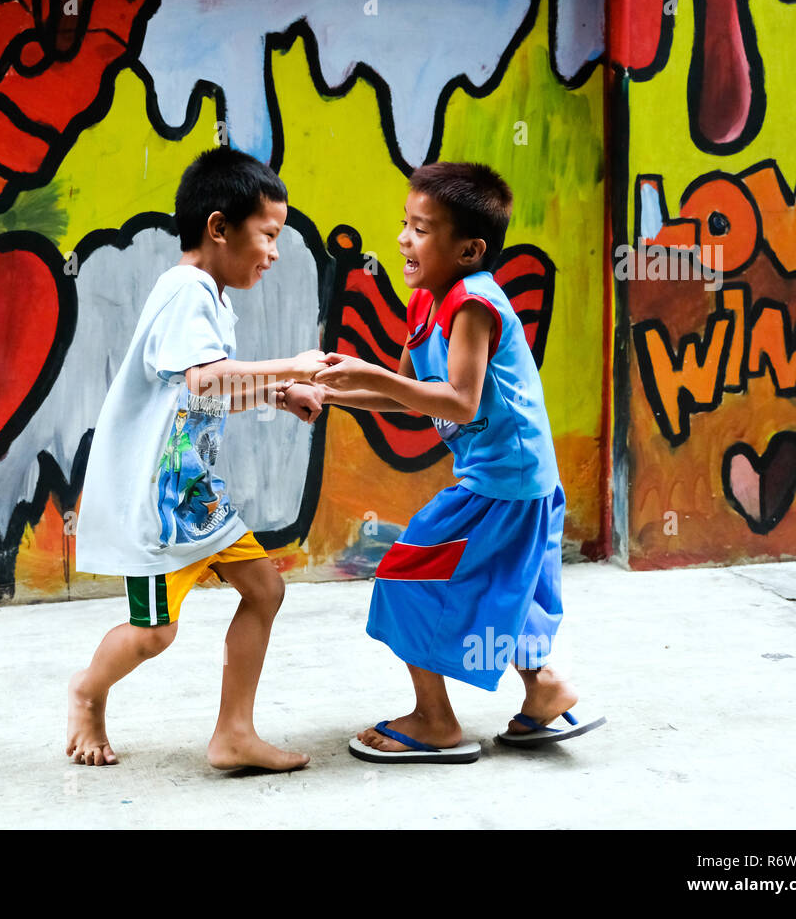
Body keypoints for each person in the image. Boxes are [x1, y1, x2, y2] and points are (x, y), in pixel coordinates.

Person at [279, 161, 604, 763]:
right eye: (405, 223)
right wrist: (328, 391)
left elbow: (460, 399)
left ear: (469, 248)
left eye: (422, 228)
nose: (403, 237)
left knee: (406, 575)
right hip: (520, 479)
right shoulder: (427, 301)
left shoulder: (473, 303)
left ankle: (434, 721)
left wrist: (366, 374)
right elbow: (402, 393)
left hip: (500, 484)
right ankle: (545, 691)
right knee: (510, 584)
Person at [68, 147, 326, 770]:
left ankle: (233, 734)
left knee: (264, 590)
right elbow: (205, 381)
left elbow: (198, 389)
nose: (273, 252)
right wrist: (291, 365)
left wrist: (276, 393)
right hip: (160, 508)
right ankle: (86, 693)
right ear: (218, 227)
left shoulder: (208, 295)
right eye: (268, 235)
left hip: (197, 499)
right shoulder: (186, 290)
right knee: (154, 634)